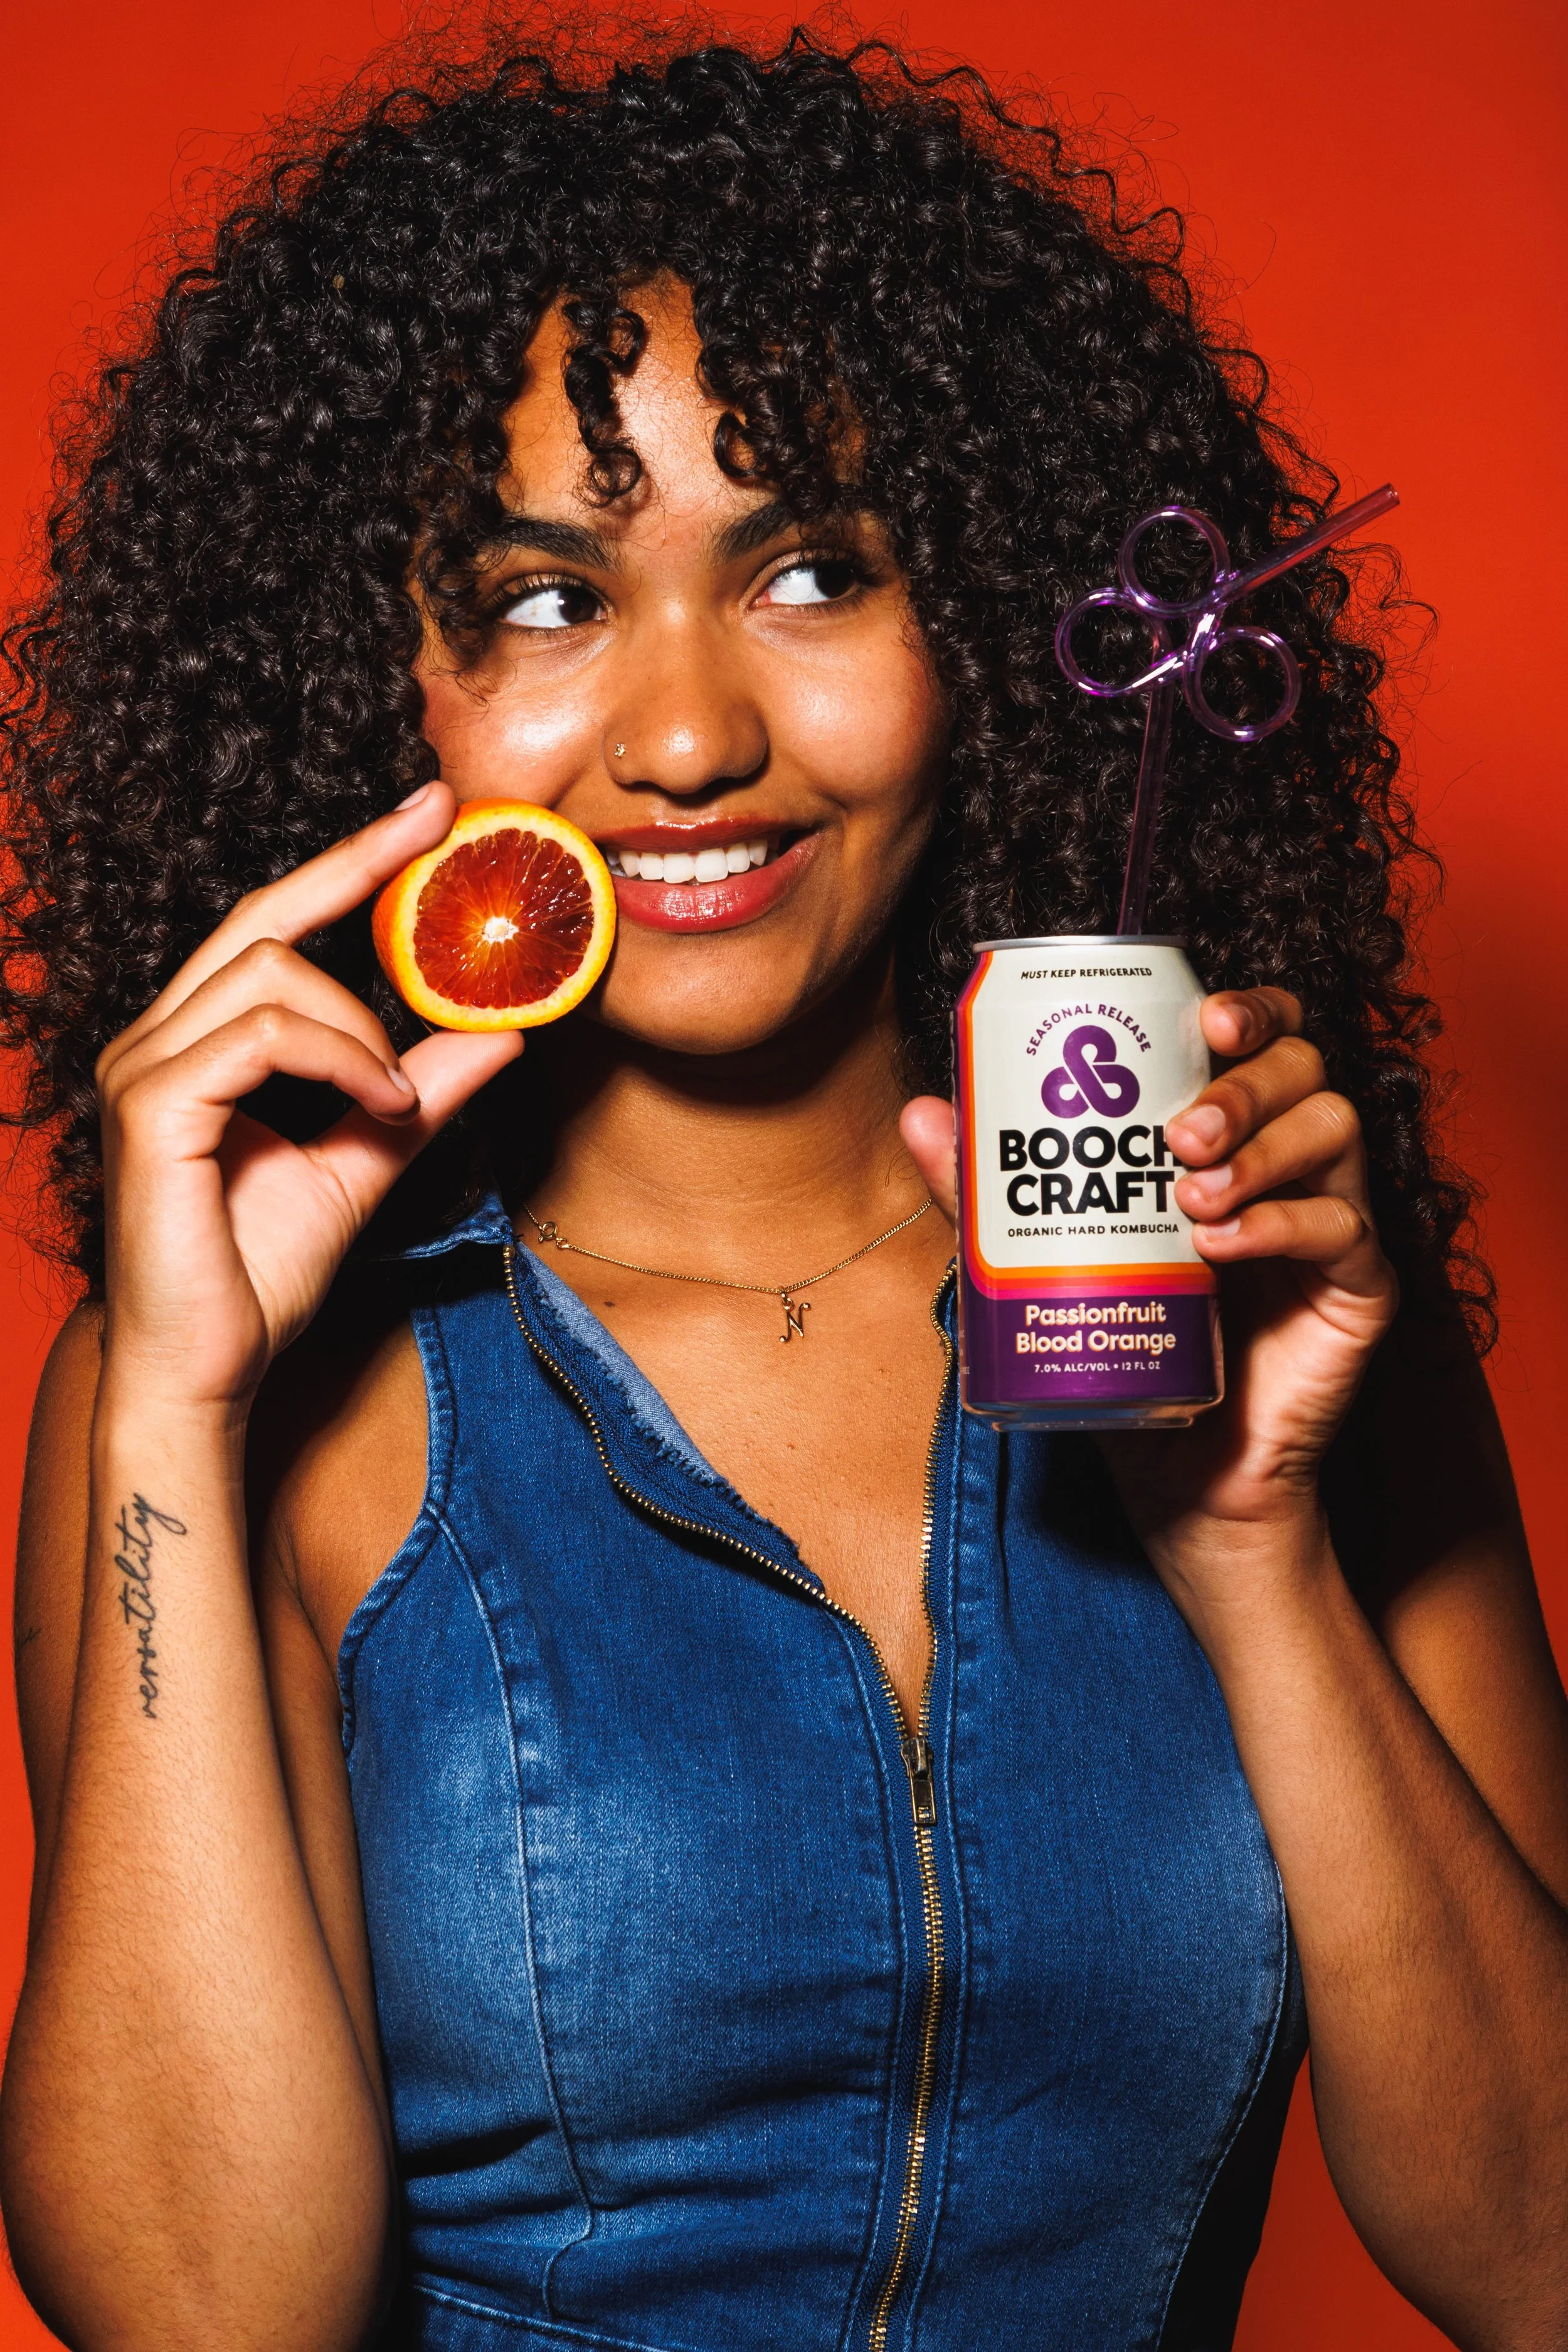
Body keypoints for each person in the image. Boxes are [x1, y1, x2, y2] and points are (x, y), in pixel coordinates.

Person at [1, 29, 1565, 2352]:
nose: (687, 736)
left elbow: (1542, 2258)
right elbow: (202, 2317)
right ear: (385, 678)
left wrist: (1251, 1550)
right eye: (547, 600)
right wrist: (166, 1410)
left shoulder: (1252, 1301)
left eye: (813, 570)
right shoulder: (234, 1382)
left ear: (986, 623)